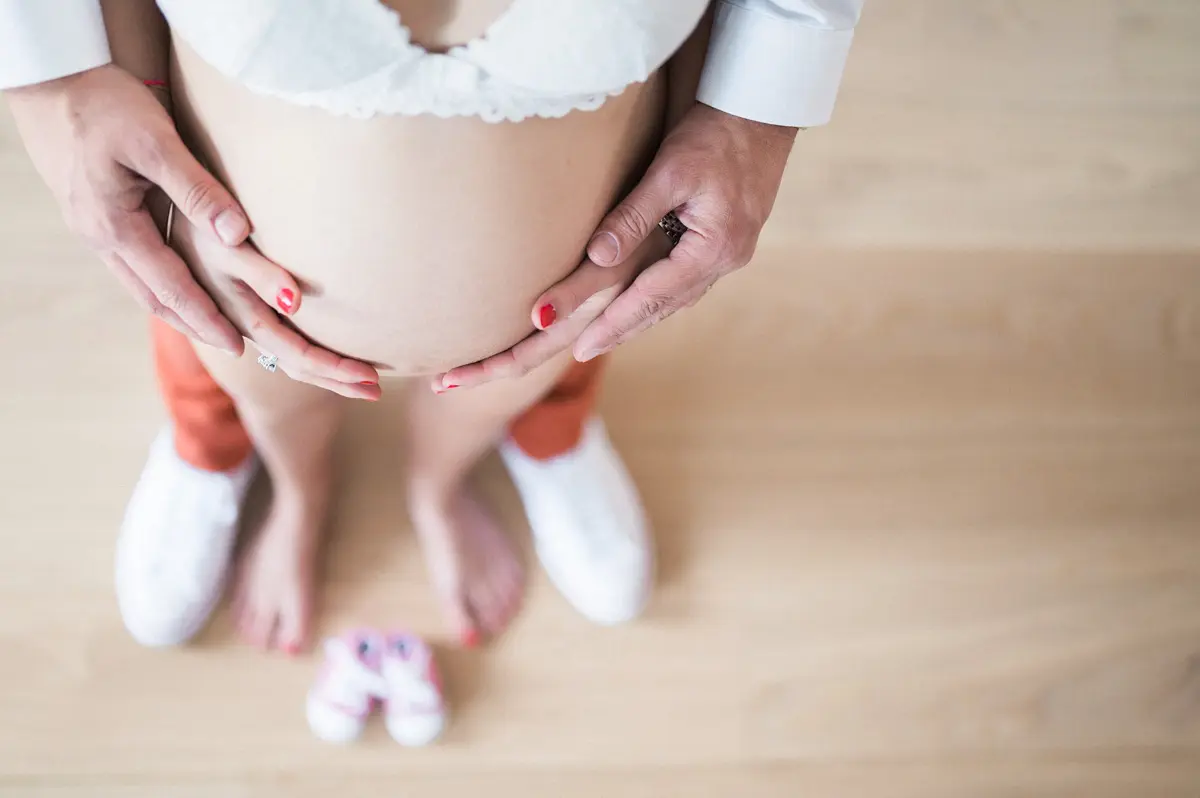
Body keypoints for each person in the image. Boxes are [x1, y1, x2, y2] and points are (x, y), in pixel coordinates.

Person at [1, 0, 864, 653]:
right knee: (228, 364)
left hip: (557, 307)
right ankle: (274, 479)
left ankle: (448, 477)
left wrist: (758, 106)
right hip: (238, 295)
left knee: (562, 351)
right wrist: (56, 81)